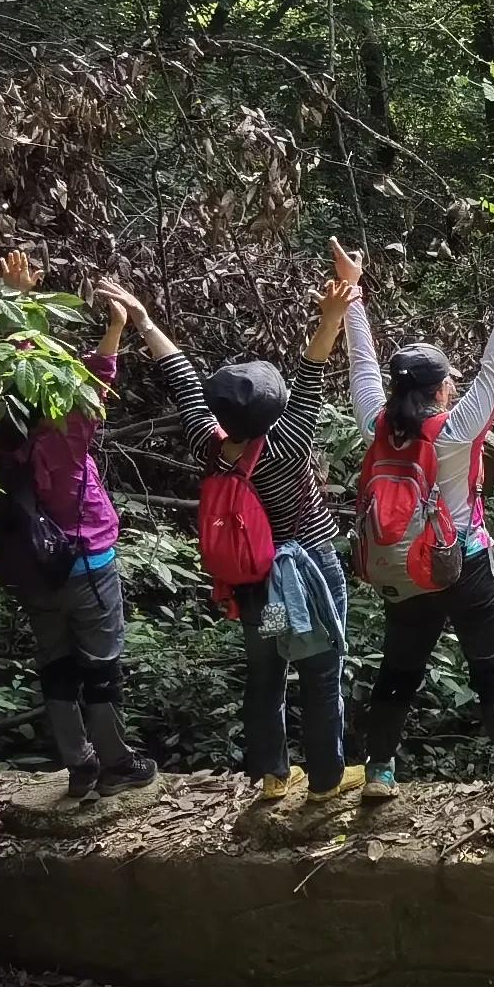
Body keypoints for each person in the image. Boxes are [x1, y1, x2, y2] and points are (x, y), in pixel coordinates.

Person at [342, 228, 494, 804]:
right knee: (492, 670)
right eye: (449, 383)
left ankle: (379, 771)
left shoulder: (375, 425)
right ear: (441, 390)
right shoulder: (458, 432)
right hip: (463, 567)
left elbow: (362, 369)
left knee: (398, 670)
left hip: (402, 573)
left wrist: (354, 296)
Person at [148, 245, 360, 814]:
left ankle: (272, 774)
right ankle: (325, 779)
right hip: (307, 574)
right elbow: (313, 373)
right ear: (275, 411)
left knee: (267, 672)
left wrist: (144, 323)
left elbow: (183, 382)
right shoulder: (288, 445)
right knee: (320, 668)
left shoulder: (210, 445)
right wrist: (334, 314)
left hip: (259, 585)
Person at [0, 248, 160, 807]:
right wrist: (117, 325)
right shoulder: (62, 440)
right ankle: (115, 761)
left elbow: (15, 379)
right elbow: (95, 384)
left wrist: (16, 304)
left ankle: (77, 763)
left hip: (29, 569)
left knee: (56, 663)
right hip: (85, 563)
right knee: (102, 665)